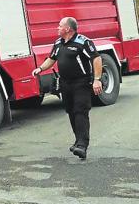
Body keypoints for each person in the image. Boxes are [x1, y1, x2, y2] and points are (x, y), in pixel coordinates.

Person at [32, 17, 103, 160]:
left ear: (68, 29)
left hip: (81, 82)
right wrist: (40, 68)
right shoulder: (58, 43)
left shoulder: (83, 42)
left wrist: (97, 80)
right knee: (70, 110)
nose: (57, 28)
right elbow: (51, 59)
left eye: (59, 26)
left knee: (80, 110)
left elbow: (96, 58)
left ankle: (82, 145)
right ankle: (78, 141)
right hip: (65, 83)